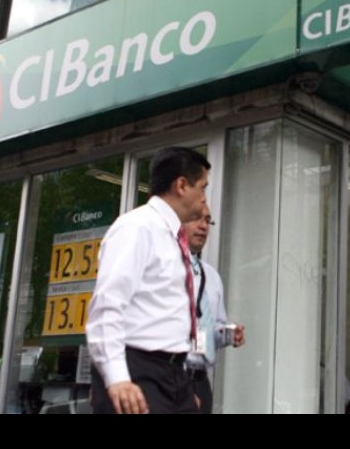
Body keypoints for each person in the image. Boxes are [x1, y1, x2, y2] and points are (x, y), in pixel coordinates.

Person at [86, 147, 210, 415]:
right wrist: (117, 378)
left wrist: (183, 386)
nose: (204, 199)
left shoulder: (173, 237)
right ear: (181, 186)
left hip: (173, 374)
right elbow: (107, 306)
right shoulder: (137, 227)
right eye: (202, 188)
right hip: (137, 371)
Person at [182, 205, 245, 414]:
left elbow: (214, 325)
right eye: (196, 219)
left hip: (201, 382)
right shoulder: (165, 269)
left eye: (207, 221)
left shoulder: (212, 276)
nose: (203, 226)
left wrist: (228, 334)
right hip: (171, 377)